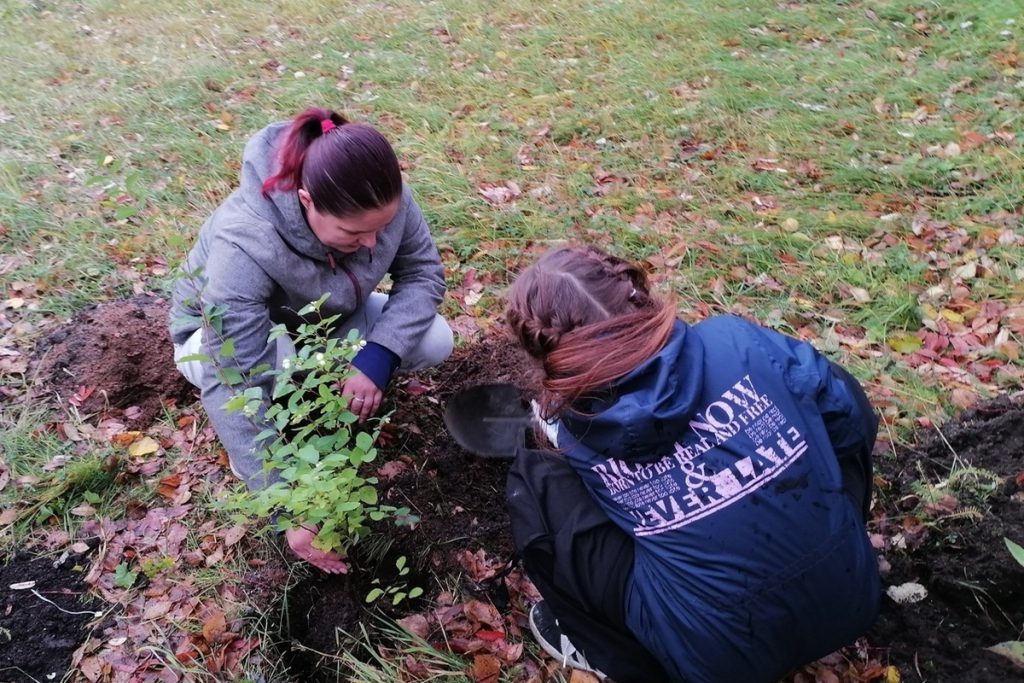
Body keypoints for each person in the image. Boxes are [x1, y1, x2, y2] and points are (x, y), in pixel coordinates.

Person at [504, 246, 880, 682]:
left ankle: (621, 655)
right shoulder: (738, 342)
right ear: (636, 294)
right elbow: (853, 423)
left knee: (534, 478)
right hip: (848, 596)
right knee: (827, 389)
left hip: (719, 662)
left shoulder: (574, 430)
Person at [169, 107, 452, 573]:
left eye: (381, 228)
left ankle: (313, 395)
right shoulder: (244, 242)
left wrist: (378, 357)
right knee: (245, 383)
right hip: (226, 345)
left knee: (434, 338)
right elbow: (234, 378)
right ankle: (273, 440)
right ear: (306, 200)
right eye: (354, 232)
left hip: (324, 321)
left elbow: (422, 274)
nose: (371, 244)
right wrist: (289, 509)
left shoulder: (385, 196)